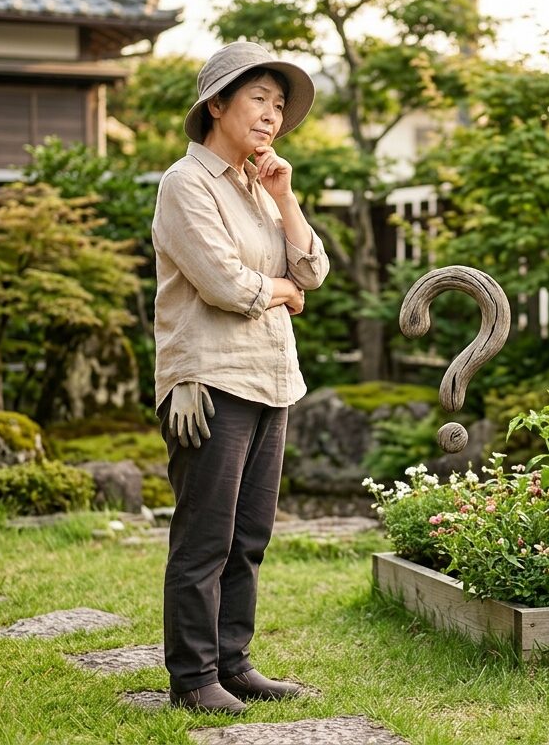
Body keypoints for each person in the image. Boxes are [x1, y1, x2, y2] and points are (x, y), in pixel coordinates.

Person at [152, 41, 329, 714]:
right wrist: (283, 291)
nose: (272, 114)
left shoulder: (261, 187)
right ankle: (193, 679)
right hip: (210, 381)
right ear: (217, 104)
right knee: (205, 538)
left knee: (250, 536)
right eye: (259, 98)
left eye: (280, 105)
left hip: (271, 379)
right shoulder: (185, 183)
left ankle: (233, 663)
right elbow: (228, 285)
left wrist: (284, 198)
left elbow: (314, 273)